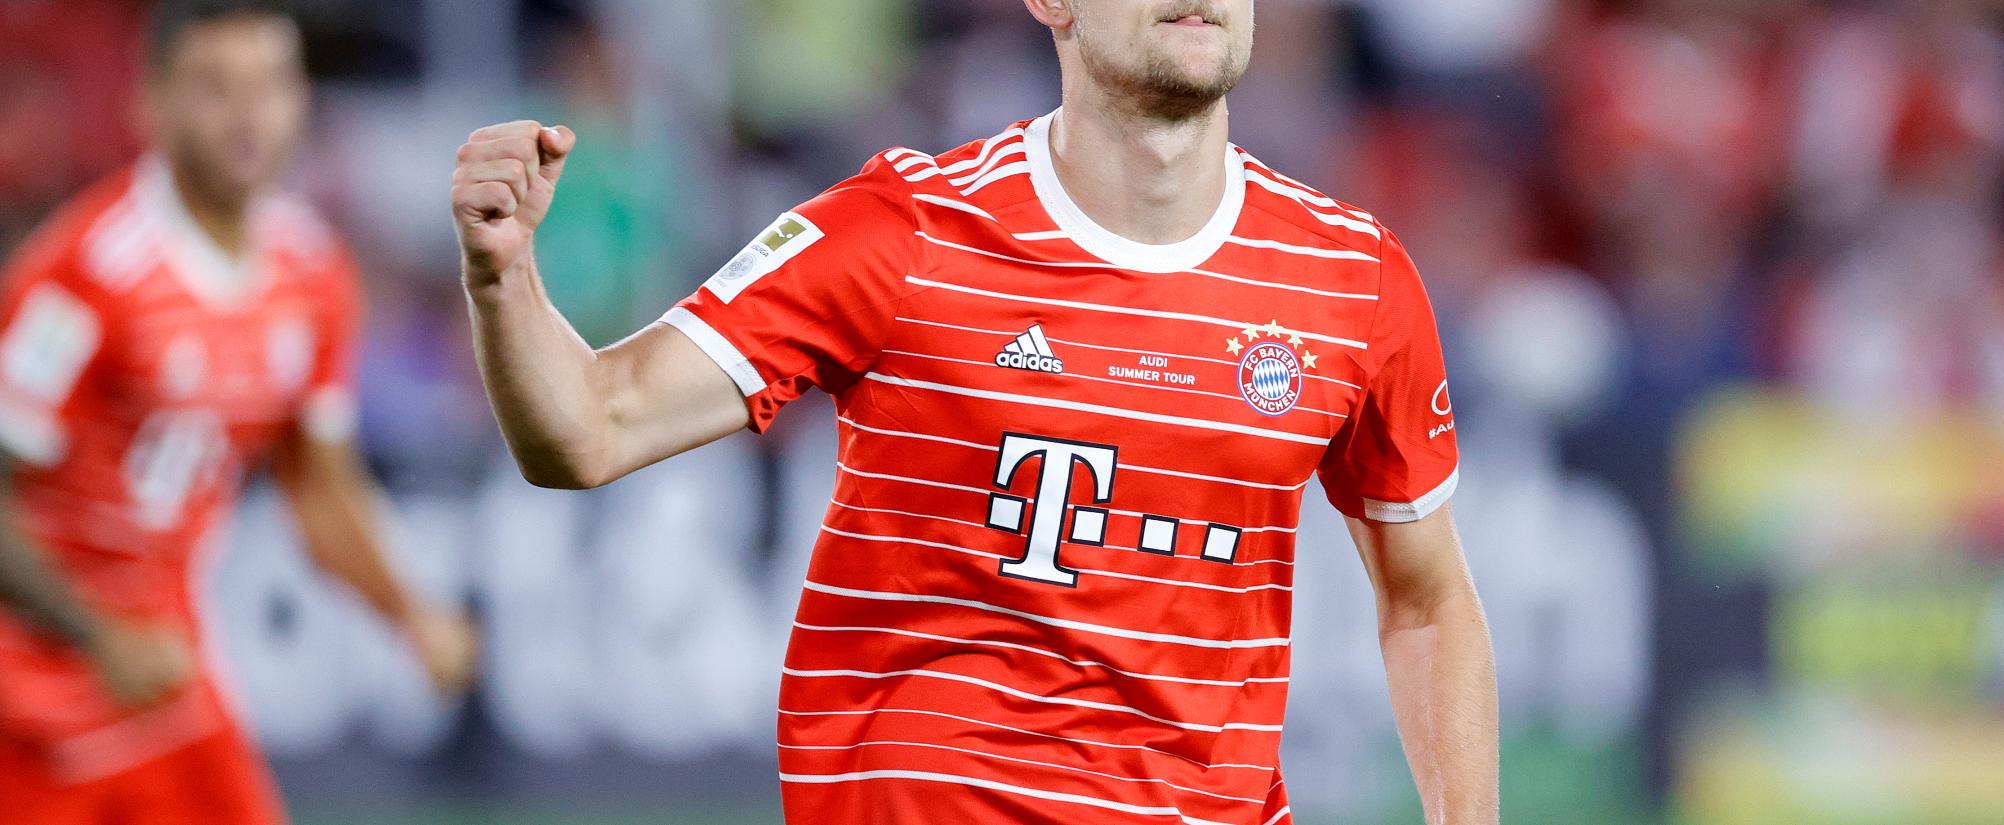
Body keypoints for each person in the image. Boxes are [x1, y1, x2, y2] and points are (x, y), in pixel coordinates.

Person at [451, 0, 1496, 822]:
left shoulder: (1349, 279)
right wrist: (504, 280)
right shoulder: (905, 232)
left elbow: (1429, 600)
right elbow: (587, 429)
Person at [0, 2, 477, 822]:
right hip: (28, 704)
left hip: (168, 683)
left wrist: (412, 612)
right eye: (216, 87)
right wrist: (94, 634)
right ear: (150, 102)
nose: (249, 115)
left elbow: (320, 487)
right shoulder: (83, 276)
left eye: (271, 85)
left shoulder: (312, 271)